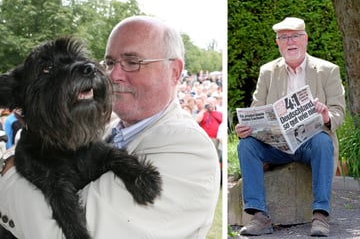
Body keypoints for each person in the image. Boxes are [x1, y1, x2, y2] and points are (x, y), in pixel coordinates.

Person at [0, 15, 220, 239]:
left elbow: (61, 235)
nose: (113, 75)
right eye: (110, 63)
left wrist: (7, 171)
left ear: (174, 72)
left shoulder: (189, 150)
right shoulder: (99, 127)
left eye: (133, 62)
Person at [235, 17, 345, 237]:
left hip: (311, 141)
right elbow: (257, 110)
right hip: (277, 144)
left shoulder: (327, 70)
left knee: (323, 141)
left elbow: (338, 112)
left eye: (295, 36)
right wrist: (247, 127)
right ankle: (259, 216)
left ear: (305, 39)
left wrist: (325, 115)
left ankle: (320, 215)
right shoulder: (267, 71)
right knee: (246, 145)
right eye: (284, 37)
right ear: (278, 43)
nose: (290, 41)